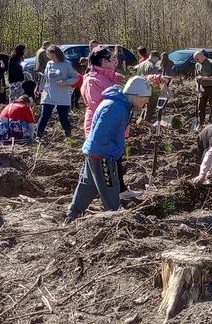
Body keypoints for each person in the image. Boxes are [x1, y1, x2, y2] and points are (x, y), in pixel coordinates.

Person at [65, 77, 152, 223]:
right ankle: (117, 220)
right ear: (135, 95)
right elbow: (101, 134)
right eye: (144, 100)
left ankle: (72, 215)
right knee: (110, 187)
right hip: (103, 154)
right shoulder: (114, 108)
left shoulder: (119, 103)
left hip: (94, 152)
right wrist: (114, 152)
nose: (145, 104)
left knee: (88, 185)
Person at [81, 47, 125, 138]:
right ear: (104, 61)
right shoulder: (92, 80)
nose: (116, 61)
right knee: (99, 151)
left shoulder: (114, 76)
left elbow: (133, 81)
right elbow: (98, 106)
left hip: (113, 125)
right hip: (99, 125)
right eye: (113, 59)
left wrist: (157, 78)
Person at [36, 45, 78, 140]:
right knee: (44, 115)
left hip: (62, 95)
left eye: (54, 56)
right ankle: (38, 136)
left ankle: (68, 136)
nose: (52, 58)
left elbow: (75, 77)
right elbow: (45, 78)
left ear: (58, 54)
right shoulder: (49, 64)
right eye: (50, 56)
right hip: (49, 94)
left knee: (63, 117)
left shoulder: (67, 64)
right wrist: (40, 89)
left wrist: (66, 82)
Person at [194, 49, 212, 128]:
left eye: (197, 59)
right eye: (195, 59)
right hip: (202, 88)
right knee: (200, 106)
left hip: (211, 88)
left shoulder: (211, 63)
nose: (197, 60)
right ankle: (201, 123)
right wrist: (197, 86)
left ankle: (211, 122)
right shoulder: (197, 65)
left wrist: (203, 78)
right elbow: (196, 78)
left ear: (202, 56)